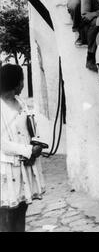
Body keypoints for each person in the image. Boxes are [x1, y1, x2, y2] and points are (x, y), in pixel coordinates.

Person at [0, 64, 45, 232]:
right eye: (22, 81)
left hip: (24, 165)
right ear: (17, 83)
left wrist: (36, 143)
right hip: (6, 168)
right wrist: (27, 150)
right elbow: (2, 144)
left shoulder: (21, 102)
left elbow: (30, 127)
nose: (23, 84)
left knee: (21, 208)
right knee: (6, 214)